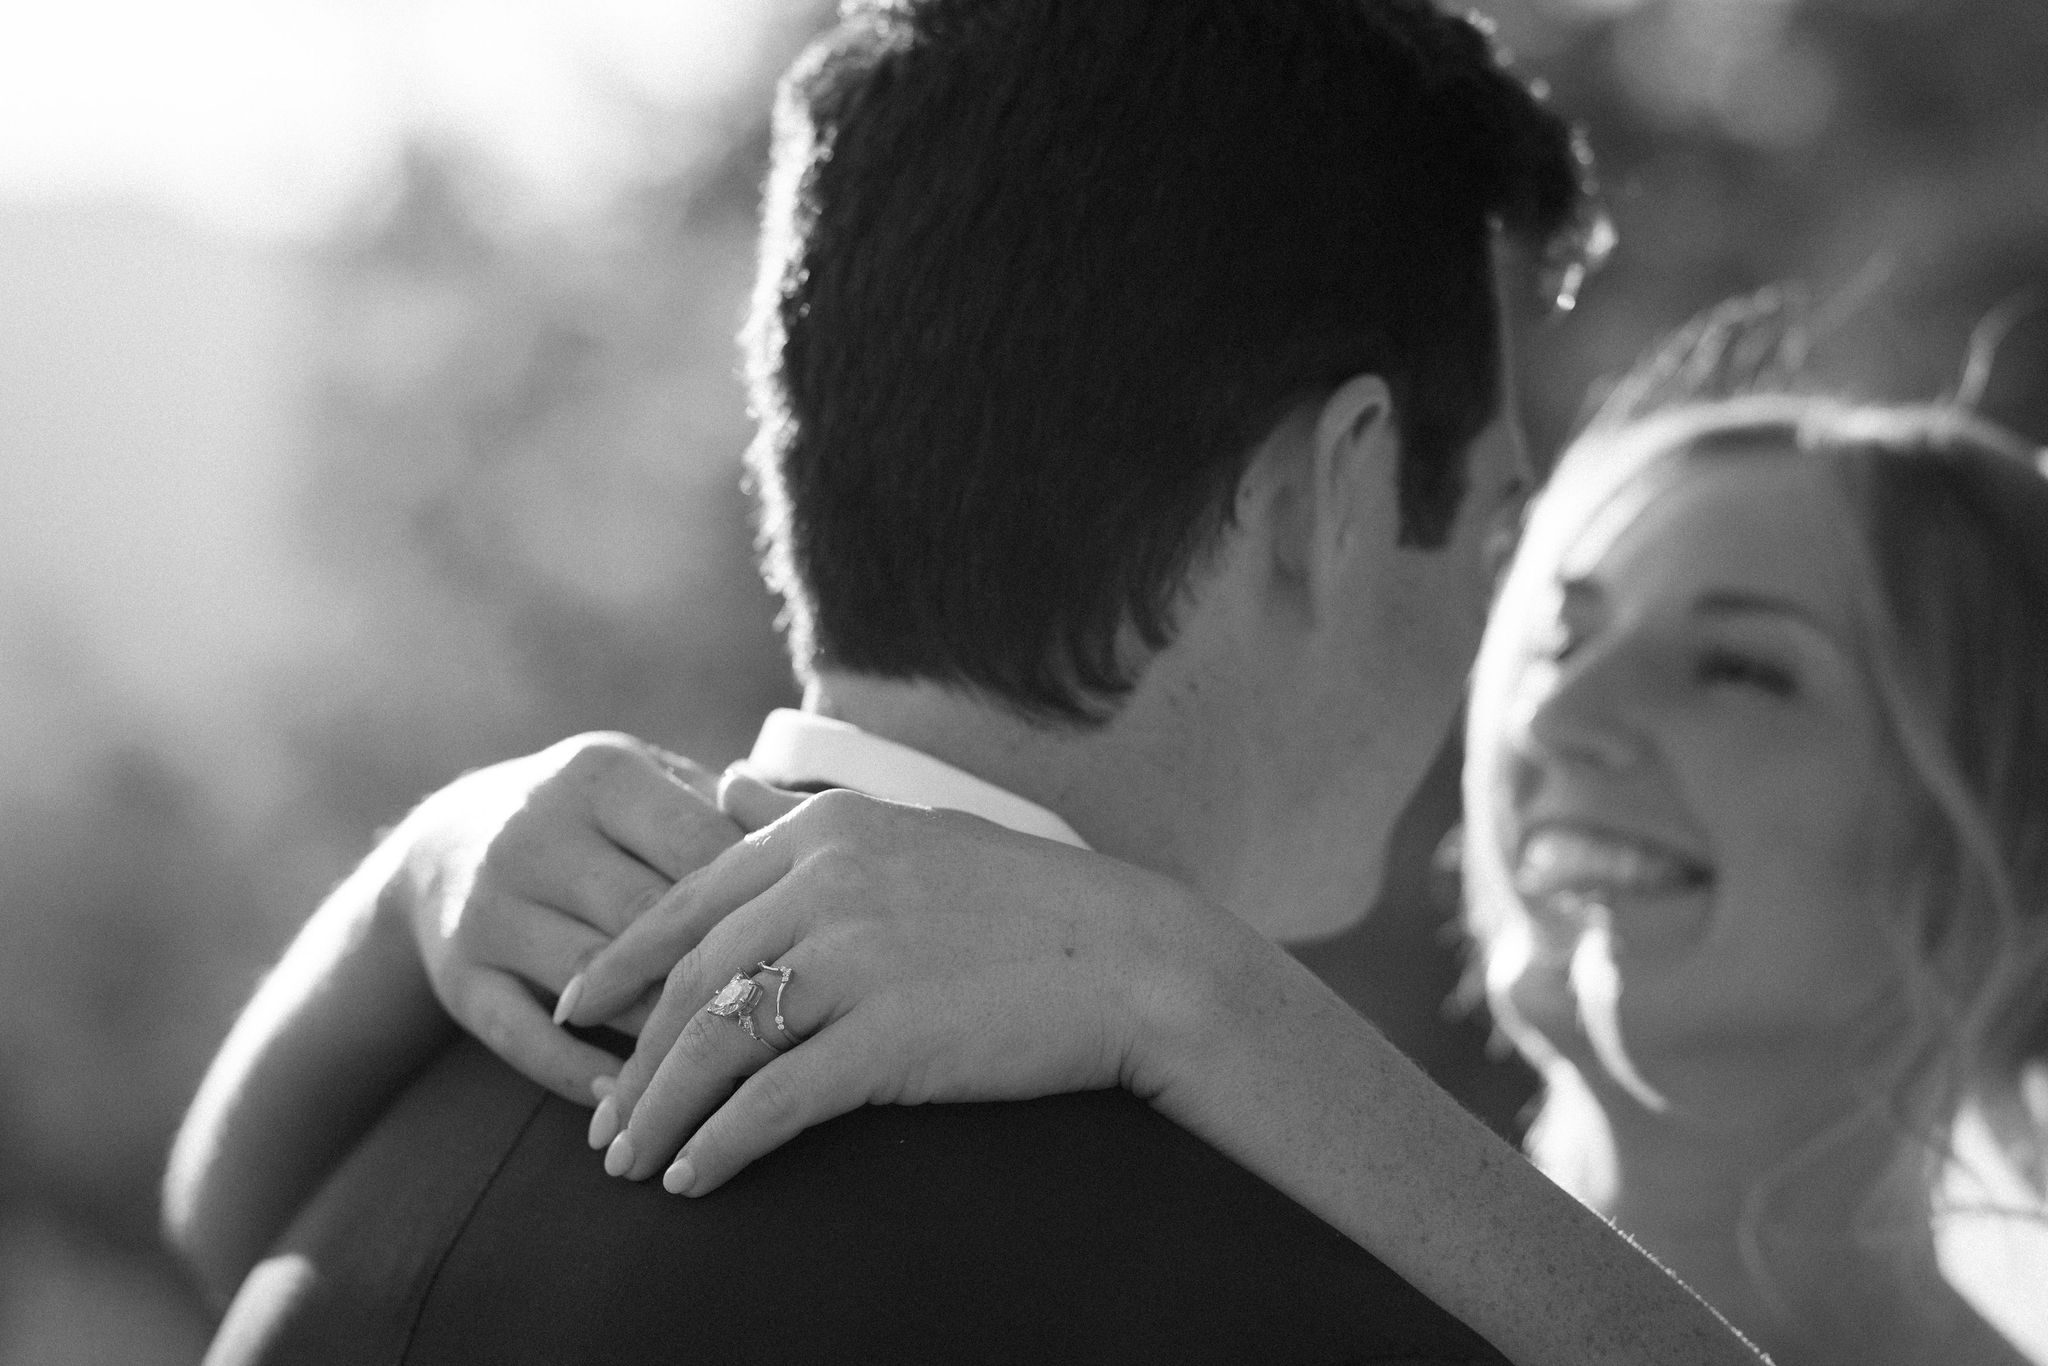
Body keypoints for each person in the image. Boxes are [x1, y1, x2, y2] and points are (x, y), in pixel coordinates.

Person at [164, 1, 1762, 1363]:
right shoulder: (1304, 1308)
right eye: (1491, 519)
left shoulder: (355, 1181)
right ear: (1329, 496)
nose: (1495, 619)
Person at [548, 366, 2048, 1364]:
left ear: (2004, 821)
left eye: (1738, 668)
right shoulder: (1213, 1287)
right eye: (1561, 635)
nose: (1563, 719)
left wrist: (1191, 987)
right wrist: (403, 902)